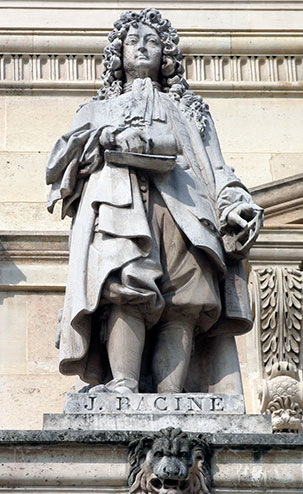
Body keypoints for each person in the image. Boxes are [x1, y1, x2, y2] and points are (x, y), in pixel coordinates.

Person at [46, 8, 263, 395]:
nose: (143, 48)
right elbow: (61, 163)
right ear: (119, 53)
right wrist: (107, 137)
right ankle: (124, 383)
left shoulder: (189, 110)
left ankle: (173, 398)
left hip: (184, 211)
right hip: (119, 207)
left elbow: (216, 168)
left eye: (153, 42)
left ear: (166, 55)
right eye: (133, 41)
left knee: (184, 300)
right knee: (123, 287)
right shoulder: (96, 110)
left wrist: (234, 205)